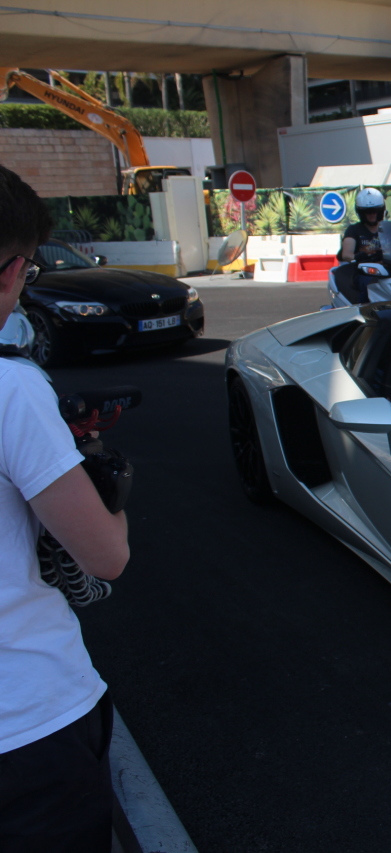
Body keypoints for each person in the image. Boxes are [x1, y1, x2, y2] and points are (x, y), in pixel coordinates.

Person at [0, 164, 129, 851]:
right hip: (28, 729)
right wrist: (112, 490)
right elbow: (103, 557)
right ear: (12, 271)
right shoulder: (12, 391)